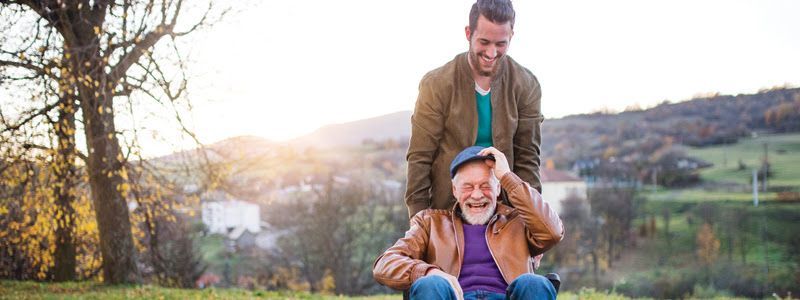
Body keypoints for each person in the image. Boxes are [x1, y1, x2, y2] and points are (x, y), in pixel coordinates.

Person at [405, 0, 544, 219]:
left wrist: (532, 220)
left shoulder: (526, 85)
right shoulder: (437, 84)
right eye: (484, 42)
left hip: (504, 214)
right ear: (468, 33)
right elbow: (420, 157)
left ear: (511, 37)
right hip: (448, 211)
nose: (491, 53)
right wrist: (420, 219)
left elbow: (528, 159)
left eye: (500, 44)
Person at [375, 146, 563, 300]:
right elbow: (385, 264)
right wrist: (428, 272)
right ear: (455, 190)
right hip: (453, 297)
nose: (477, 194)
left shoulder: (517, 220)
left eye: (485, 186)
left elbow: (553, 232)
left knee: (534, 283)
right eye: (468, 186)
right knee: (430, 284)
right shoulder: (430, 223)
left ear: (498, 188)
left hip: (507, 297)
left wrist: (507, 176)